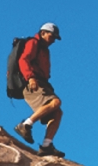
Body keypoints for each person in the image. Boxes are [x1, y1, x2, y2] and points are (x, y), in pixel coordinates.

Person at [14, 22, 65, 157]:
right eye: (51, 36)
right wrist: (30, 78)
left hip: (41, 82)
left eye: (55, 38)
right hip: (31, 82)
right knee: (55, 102)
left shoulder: (44, 49)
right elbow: (23, 60)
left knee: (57, 113)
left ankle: (46, 146)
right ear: (42, 33)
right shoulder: (33, 43)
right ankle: (25, 125)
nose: (53, 40)